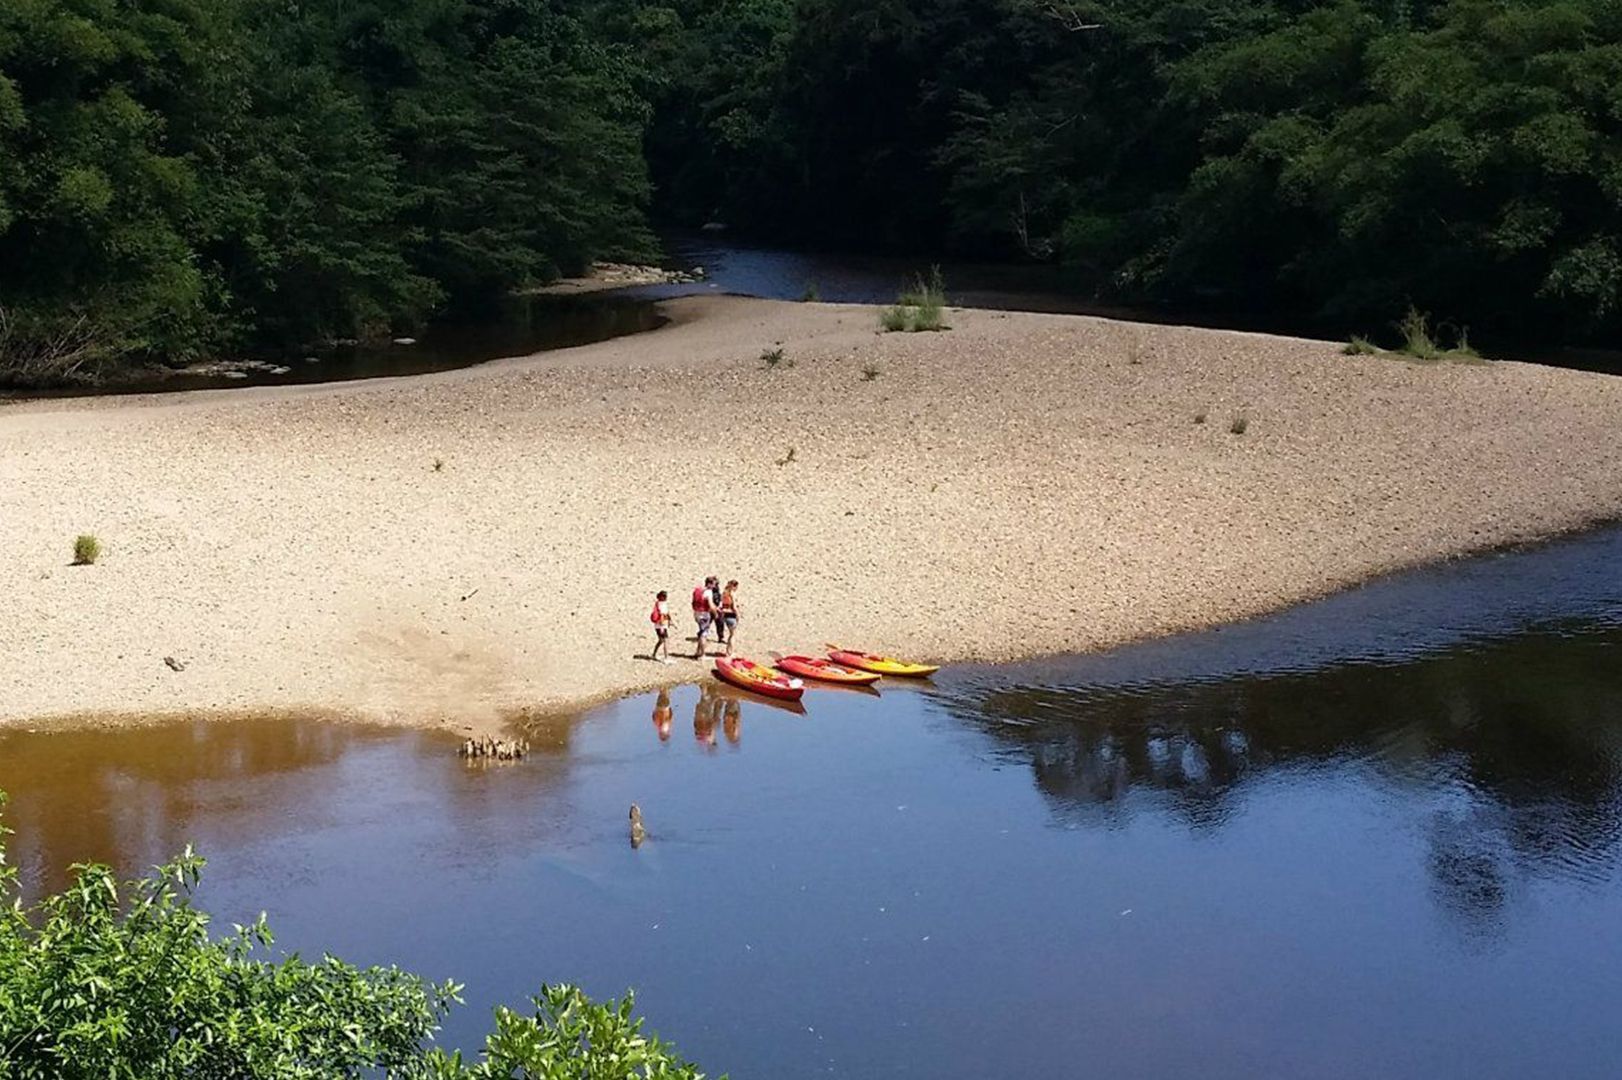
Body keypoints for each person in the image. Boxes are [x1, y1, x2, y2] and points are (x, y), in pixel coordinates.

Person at [692, 576, 719, 658]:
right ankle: (702, 654)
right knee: (704, 634)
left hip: (697, 613)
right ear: (710, 584)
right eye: (714, 584)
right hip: (704, 614)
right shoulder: (708, 592)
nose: (715, 586)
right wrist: (715, 613)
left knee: (701, 632)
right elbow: (710, 605)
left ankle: (698, 652)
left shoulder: (698, 590)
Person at [650, 590, 673, 664]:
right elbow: (662, 616)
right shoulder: (662, 605)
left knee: (661, 640)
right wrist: (662, 627)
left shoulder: (658, 604)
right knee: (665, 641)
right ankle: (666, 658)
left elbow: (667, 613)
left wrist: (670, 620)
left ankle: (654, 654)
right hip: (661, 626)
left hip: (658, 625)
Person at [719, 579, 740, 654]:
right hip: (731, 614)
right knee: (732, 635)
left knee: (730, 634)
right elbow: (734, 606)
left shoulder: (724, 593)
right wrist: (738, 615)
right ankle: (730, 652)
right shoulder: (732, 594)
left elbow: (721, 604)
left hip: (725, 614)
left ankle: (728, 651)